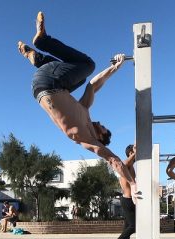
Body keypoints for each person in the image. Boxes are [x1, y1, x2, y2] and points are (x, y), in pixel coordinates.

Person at [18, 11, 137, 201]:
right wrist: (115, 67)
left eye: (104, 127)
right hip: (42, 86)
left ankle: (43, 42)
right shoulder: (83, 110)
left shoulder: (89, 141)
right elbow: (94, 85)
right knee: (82, 80)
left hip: (49, 83)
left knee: (88, 64)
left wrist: (132, 183)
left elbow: (114, 160)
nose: (101, 123)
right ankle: (34, 56)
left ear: (102, 136)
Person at [110, 144, 136, 239]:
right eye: (134, 151)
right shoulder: (126, 164)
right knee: (133, 226)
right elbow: (123, 164)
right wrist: (135, 152)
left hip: (128, 199)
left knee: (127, 225)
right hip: (127, 199)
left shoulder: (131, 166)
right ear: (131, 153)